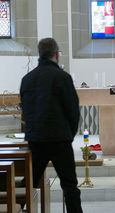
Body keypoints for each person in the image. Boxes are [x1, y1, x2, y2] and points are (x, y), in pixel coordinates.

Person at [20, 38, 83, 212]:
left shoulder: (27, 79)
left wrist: (33, 131)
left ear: (40, 54)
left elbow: (26, 111)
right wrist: (68, 135)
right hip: (60, 139)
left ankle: (15, 207)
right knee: (70, 186)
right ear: (56, 54)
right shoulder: (62, 77)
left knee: (27, 185)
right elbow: (73, 111)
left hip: (36, 140)